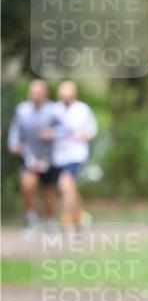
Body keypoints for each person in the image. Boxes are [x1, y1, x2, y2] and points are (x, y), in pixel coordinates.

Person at [7, 79, 62, 232]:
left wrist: (52, 133)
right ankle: (30, 218)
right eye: (32, 93)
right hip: (29, 155)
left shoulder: (53, 110)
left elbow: (64, 129)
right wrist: (13, 143)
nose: (35, 96)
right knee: (26, 186)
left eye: (39, 93)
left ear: (45, 94)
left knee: (47, 192)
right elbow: (15, 130)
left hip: (48, 158)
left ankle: (51, 221)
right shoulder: (22, 109)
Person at [52, 80, 98, 231]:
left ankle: (65, 220)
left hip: (76, 154)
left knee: (65, 183)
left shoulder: (83, 109)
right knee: (68, 187)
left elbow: (92, 130)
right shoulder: (54, 109)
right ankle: (80, 217)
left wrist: (82, 135)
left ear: (74, 93)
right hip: (58, 155)